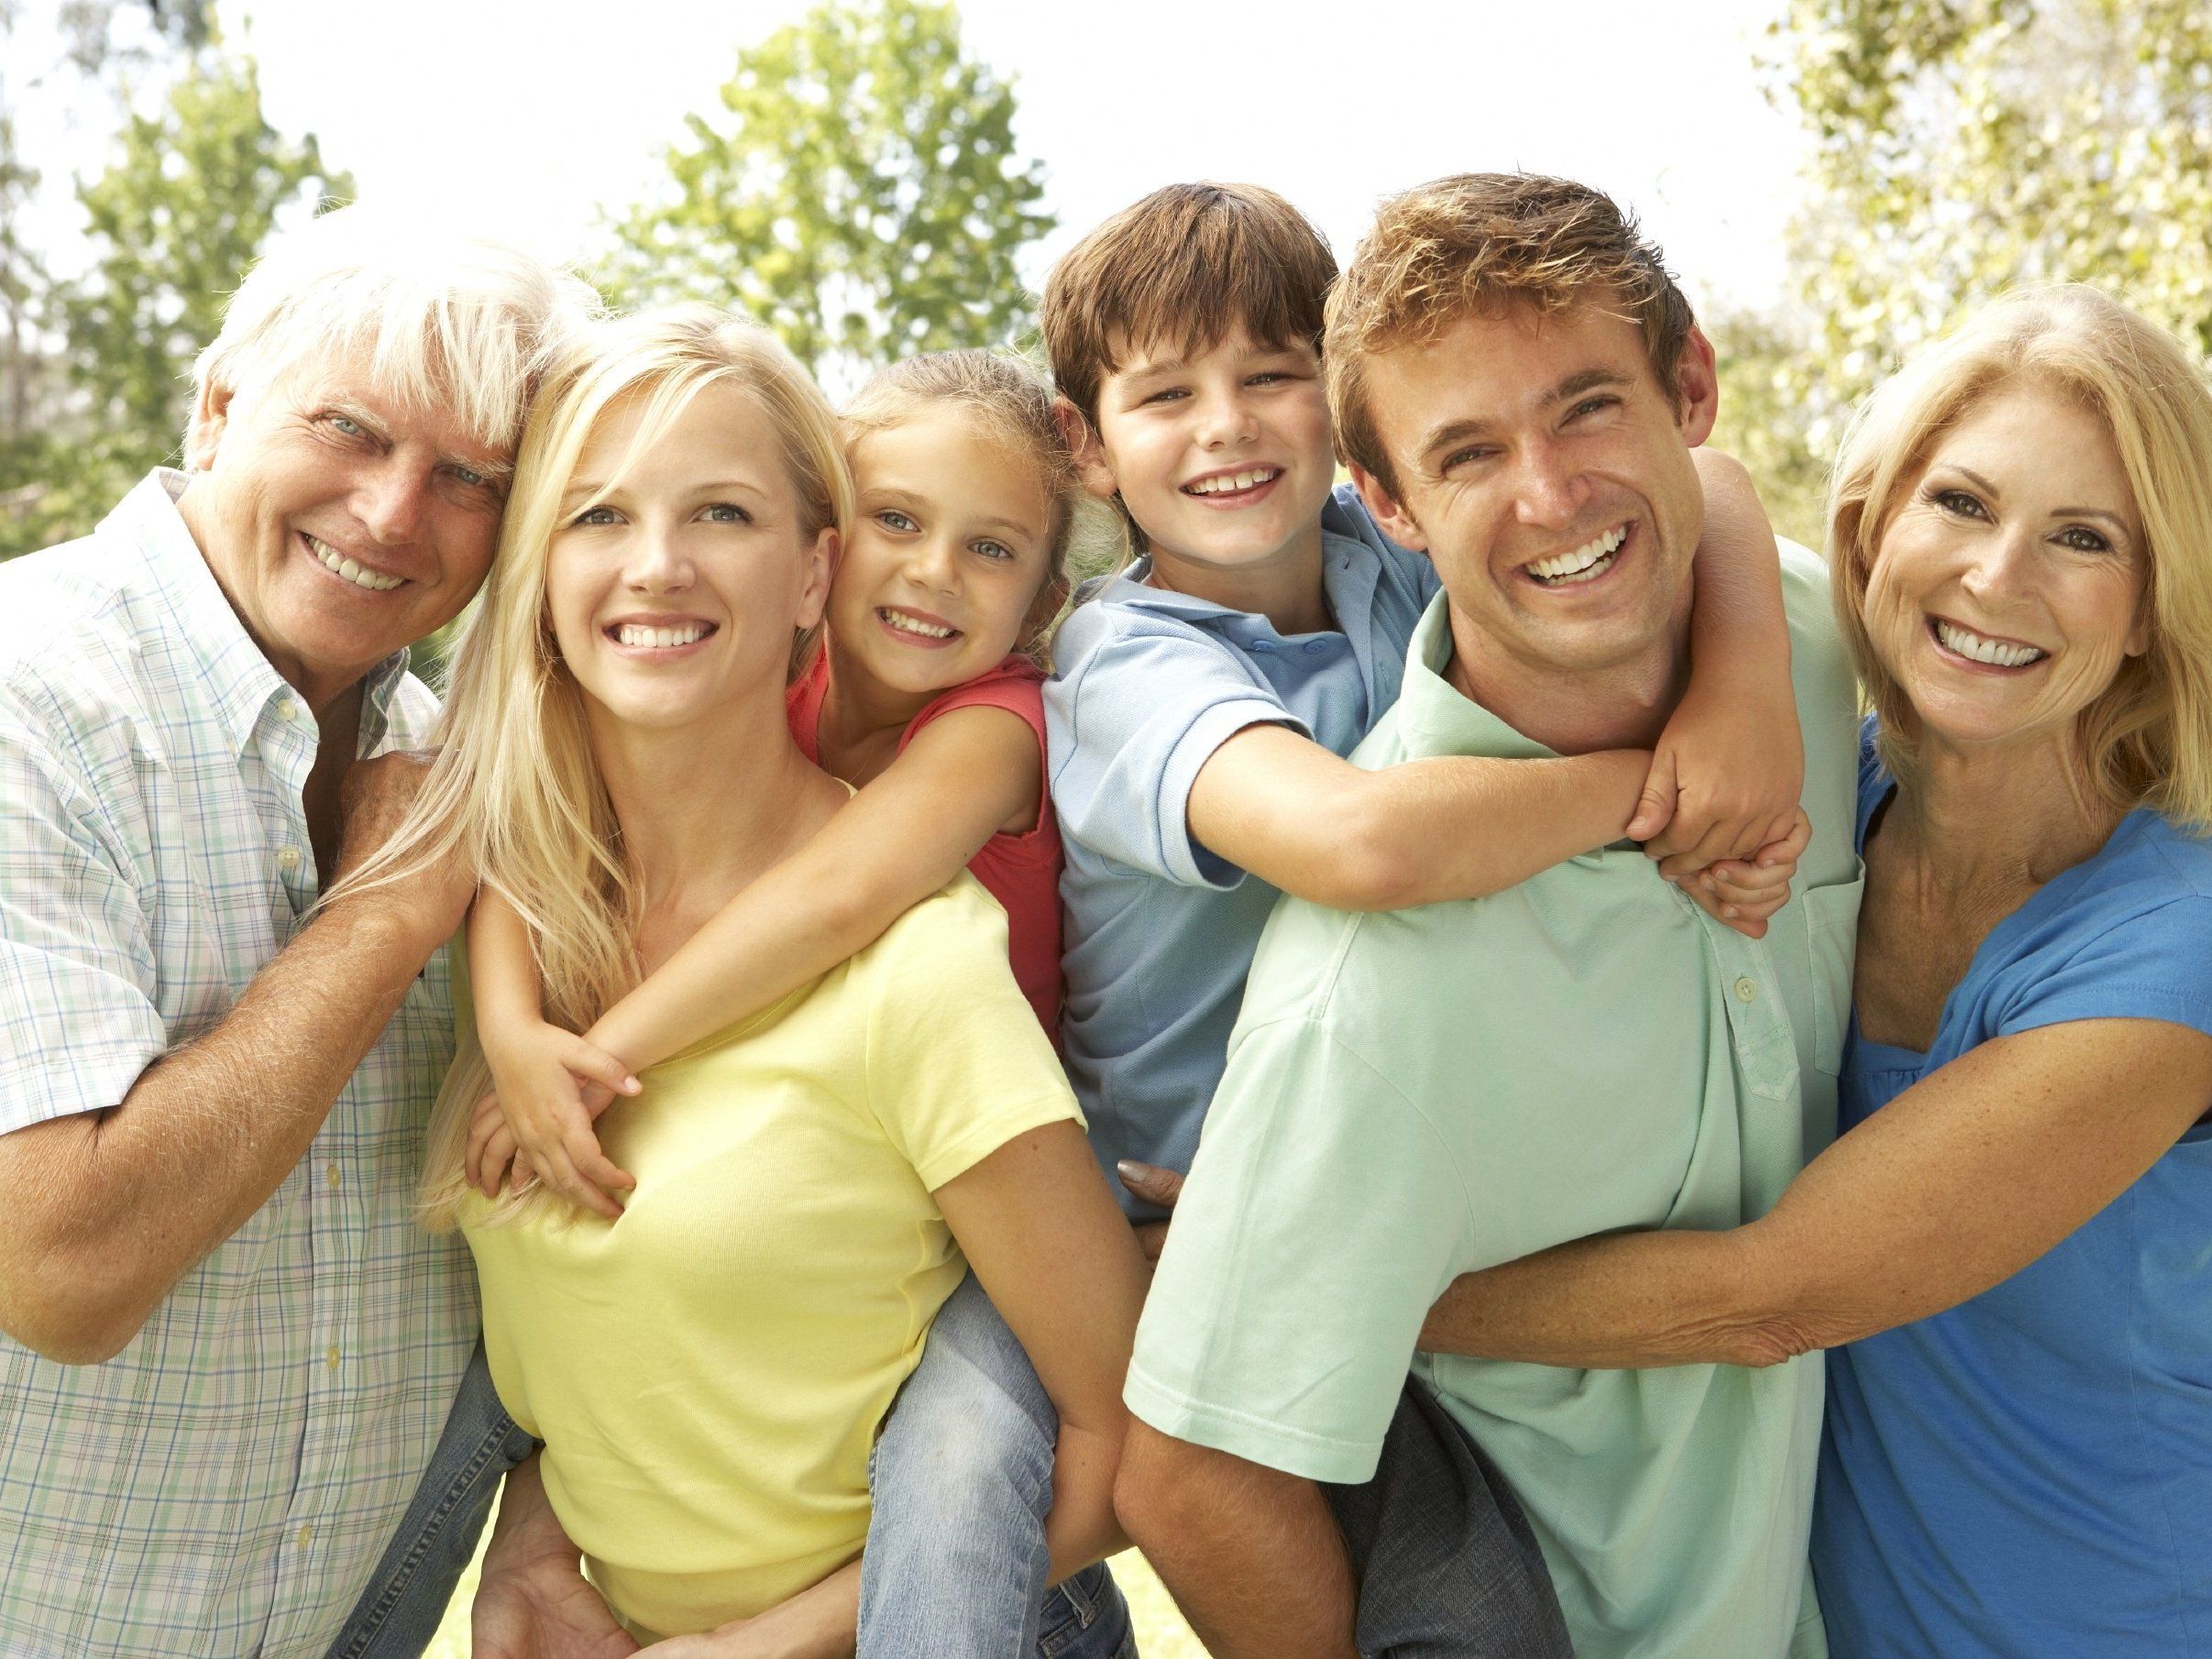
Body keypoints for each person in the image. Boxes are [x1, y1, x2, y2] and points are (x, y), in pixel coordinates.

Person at [1113, 172, 1864, 1659]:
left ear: (1690, 387)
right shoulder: (1371, 990)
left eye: (1588, 406)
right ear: (1386, 503)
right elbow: (1190, 1476)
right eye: (1466, 452)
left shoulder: (1809, 645)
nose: (1550, 492)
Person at [1408, 285, 2212, 1659]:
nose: (1995, 575)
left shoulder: (2171, 947)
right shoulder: (1815, 809)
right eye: (1957, 503)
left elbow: (1766, 1293)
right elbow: (1707, 476)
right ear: (1871, 527)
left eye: (2081, 538)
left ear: (2148, 610)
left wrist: (1343, 1286)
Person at [353, 304, 1148, 1652]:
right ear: (536, 568)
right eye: (597, 515)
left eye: (719, 512)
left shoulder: (915, 959)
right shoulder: (521, 919)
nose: (655, 565)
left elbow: (1126, 1440)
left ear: (807, 574)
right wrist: (535, 1542)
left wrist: (748, 1647)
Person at [0, 206, 600, 1658]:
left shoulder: (473, 767)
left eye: (468, 475)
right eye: (349, 430)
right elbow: (61, 1269)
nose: (395, 512)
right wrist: (388, 911)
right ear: (218, 411)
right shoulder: (31, 701)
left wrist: (537, 1501)